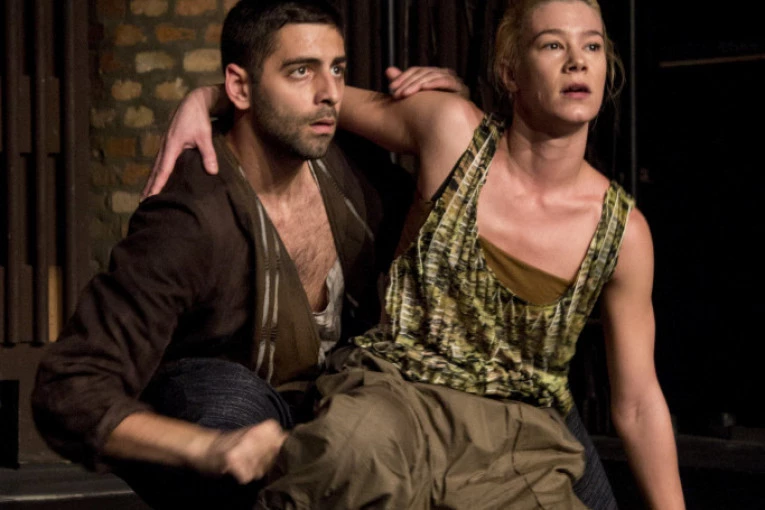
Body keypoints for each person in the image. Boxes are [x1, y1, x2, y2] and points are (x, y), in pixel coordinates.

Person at [146, 1, 687, 509]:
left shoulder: (623, 233)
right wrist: (210, 98)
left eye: (592, 46)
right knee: (343, 458)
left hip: (519, 433)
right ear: (510, 71)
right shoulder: (452, 130)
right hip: (398, 391)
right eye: (552, 45)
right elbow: (309, 101)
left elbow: (638, 403)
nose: (577, 61)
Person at [30, 2, 462, 509]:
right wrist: (208, 447)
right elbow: (69, 388)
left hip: (338, 404)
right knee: (225, 403)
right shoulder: (190, 219)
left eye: (338, 69)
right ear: (239, 88)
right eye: (301, 71)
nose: (330, 93)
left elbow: (454, 234)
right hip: (230, 422)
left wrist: (456, 116)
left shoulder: (353, 173)